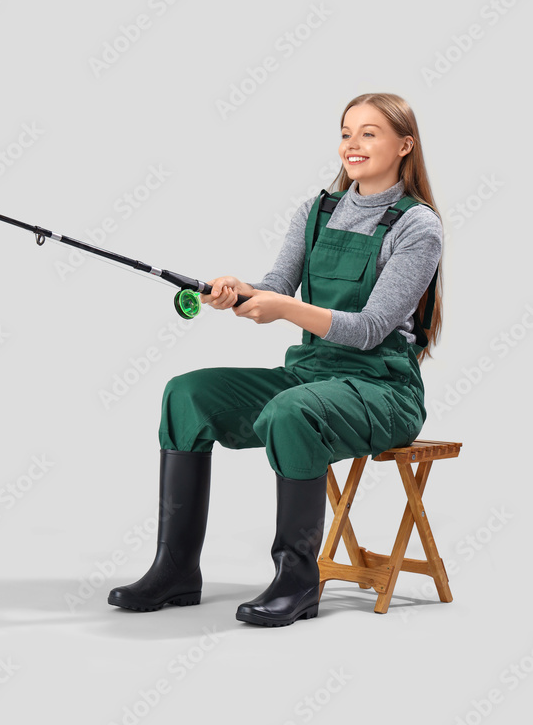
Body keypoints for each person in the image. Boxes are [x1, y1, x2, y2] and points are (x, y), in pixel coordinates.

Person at [107, 92, 444, 627]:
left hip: (383, 390)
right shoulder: (316, 211)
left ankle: (296, 582)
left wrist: (284, 308)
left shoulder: (417, 227)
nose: (352, 145)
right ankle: (174, 569)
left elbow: (372, 328)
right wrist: (237, 291)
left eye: (369, 133)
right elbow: (276, 286)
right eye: (345, 132)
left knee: (294, 411)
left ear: (404, 145)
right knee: (186, 394)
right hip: (310, 375)